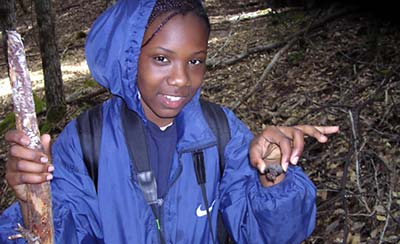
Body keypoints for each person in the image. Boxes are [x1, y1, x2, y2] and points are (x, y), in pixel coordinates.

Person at [0, 0, 339, 243]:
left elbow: (274, 233)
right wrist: (34, 203)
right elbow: (61, 231)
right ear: (129, 58)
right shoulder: (87, 141)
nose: (181, 79)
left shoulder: (221, 132)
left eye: (196, 61)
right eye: (162, 59)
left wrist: (273, 173)